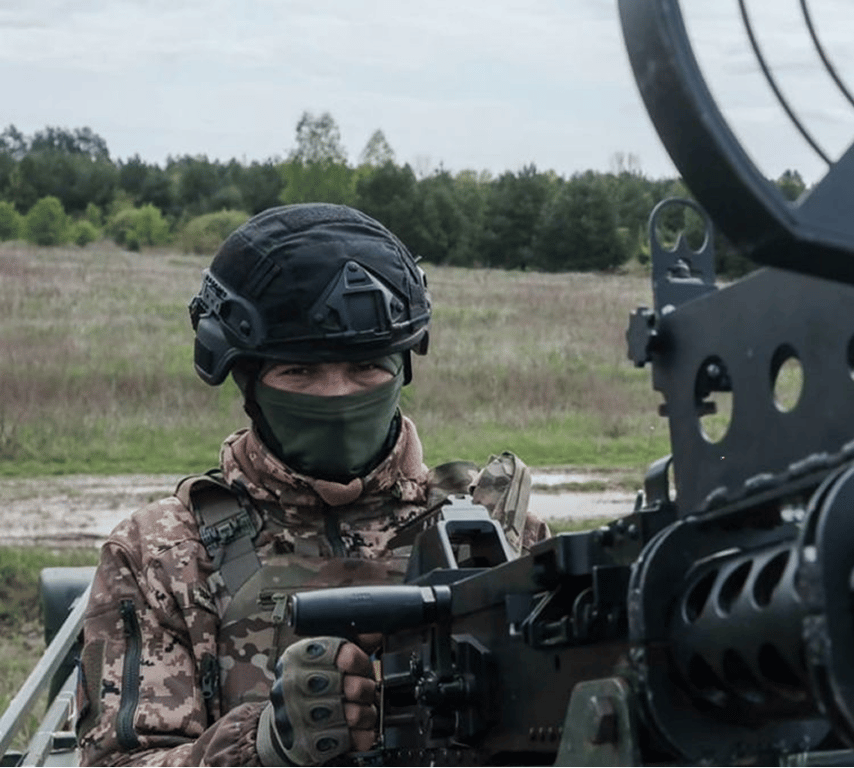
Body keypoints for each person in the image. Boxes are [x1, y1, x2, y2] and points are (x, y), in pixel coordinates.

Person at [76, 203, 549, 766]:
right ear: (248, 379)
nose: (337, 394)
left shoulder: (495, 538)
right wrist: (263, 745)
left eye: (366, 367)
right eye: (299, 371)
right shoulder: (163, 555)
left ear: (402, 367)